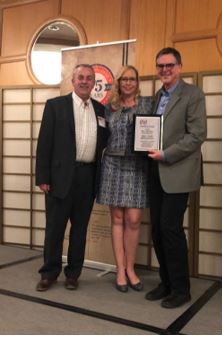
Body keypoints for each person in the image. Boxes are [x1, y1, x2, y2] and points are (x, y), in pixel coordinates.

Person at [35, 64, 108, 291]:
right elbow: (44, 143)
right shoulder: (56, 106)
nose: (85, 81)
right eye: (81, 78)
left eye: (89, 78)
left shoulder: (100, 110)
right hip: (59, 178)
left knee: (79, 231)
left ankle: (73, 274)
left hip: (88, 177)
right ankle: (49, 273)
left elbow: (103, 144)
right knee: (55, 228)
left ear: (94, 83)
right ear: (73, 81)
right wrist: (42, 177)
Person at [145, 47, 207, 308]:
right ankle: (166, 282)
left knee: (171, 229)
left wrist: (166, 154)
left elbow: (197, 135)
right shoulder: (157, 95)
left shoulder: (193, 94)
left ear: (179, 67)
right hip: (155, 171)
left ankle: (181, 289)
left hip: (178, 171)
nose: (164, 70)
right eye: (160, 66)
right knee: (157, 230)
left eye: (169, 65)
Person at [96, 66, 153, 293]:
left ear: (137, 82)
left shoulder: (147, 104)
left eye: (132, 79)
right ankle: (120, 270)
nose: (128, 83)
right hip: (112, 165)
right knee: (117, 218)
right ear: (118, 83)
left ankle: (131, 268)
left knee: (134, 219)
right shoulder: (108, 109)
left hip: (138, 166)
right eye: (124, 79)